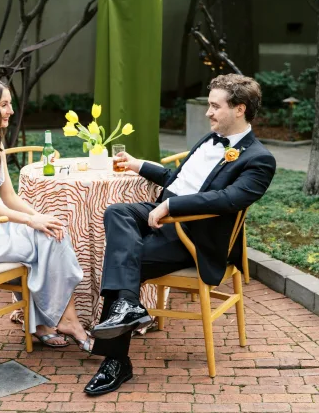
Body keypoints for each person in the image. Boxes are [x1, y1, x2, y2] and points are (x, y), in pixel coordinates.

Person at [84, 74, 276, 396]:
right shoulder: (208, 139)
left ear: (239, 108)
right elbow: (177, 177)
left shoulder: (259, 159)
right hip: (167, 221)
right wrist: (137, 165)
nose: (208, 112)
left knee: (129, 260)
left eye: (215, 106)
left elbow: (228, 199)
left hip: (194, 237)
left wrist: (171, 205)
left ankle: (115, 362)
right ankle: (128, 308)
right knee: (117, 211)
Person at [0, 77, 92, 351]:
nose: (10, 110)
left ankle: (46, 323)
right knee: (48, 239)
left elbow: (9, 197)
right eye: (3, 105)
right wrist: (30, 220)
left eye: (9, 104)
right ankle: (65, 321)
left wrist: (40, 217)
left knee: (51, 231)